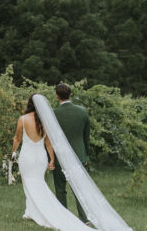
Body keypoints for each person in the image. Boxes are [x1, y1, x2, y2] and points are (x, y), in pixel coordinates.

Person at [11, 94, 93, 231]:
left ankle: (39, 211)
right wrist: (52, 159)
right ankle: (30, 211)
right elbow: (48, 143)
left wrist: (13, 152)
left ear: (29, 104)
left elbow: (17, 138)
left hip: (27, 156)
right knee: (38, 182)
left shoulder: (23, 119)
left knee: (29, 183)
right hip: (41, 157)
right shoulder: (45, 121)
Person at [51, 83, 91, 226]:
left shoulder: (53, 114)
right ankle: (84, 219)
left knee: (60, 189)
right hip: (79, 156)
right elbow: (86, 136)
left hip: (60, 157)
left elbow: (50, 138)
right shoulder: (83, 111)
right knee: (80, 190)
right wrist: (86, 155)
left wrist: (50, 158)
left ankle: (64, 218)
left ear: (57, 95)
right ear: (70, 94)